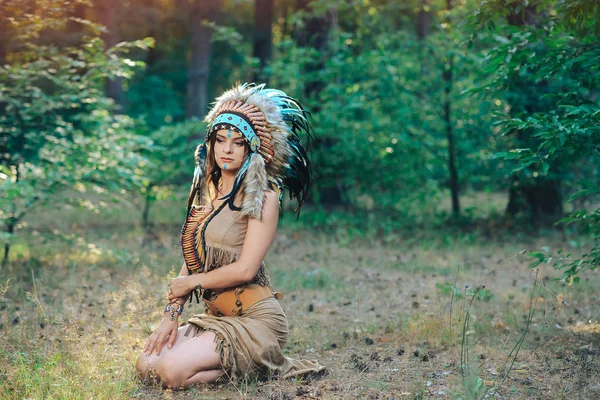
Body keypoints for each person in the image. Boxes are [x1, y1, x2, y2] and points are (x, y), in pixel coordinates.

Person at [136, 83, 326, 389]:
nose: (227, 149)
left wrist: (191, 283)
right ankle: (224, 361)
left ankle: (265, 367)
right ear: (210, 142)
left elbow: (245, 270)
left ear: (251, 148)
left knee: (171, 372)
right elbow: (193, 258)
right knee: (146, 366)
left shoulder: (264, 196)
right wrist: (171, 314)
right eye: (221, 139)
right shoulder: (205, 191)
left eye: (238, 142)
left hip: (255, 320)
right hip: (217, 319)